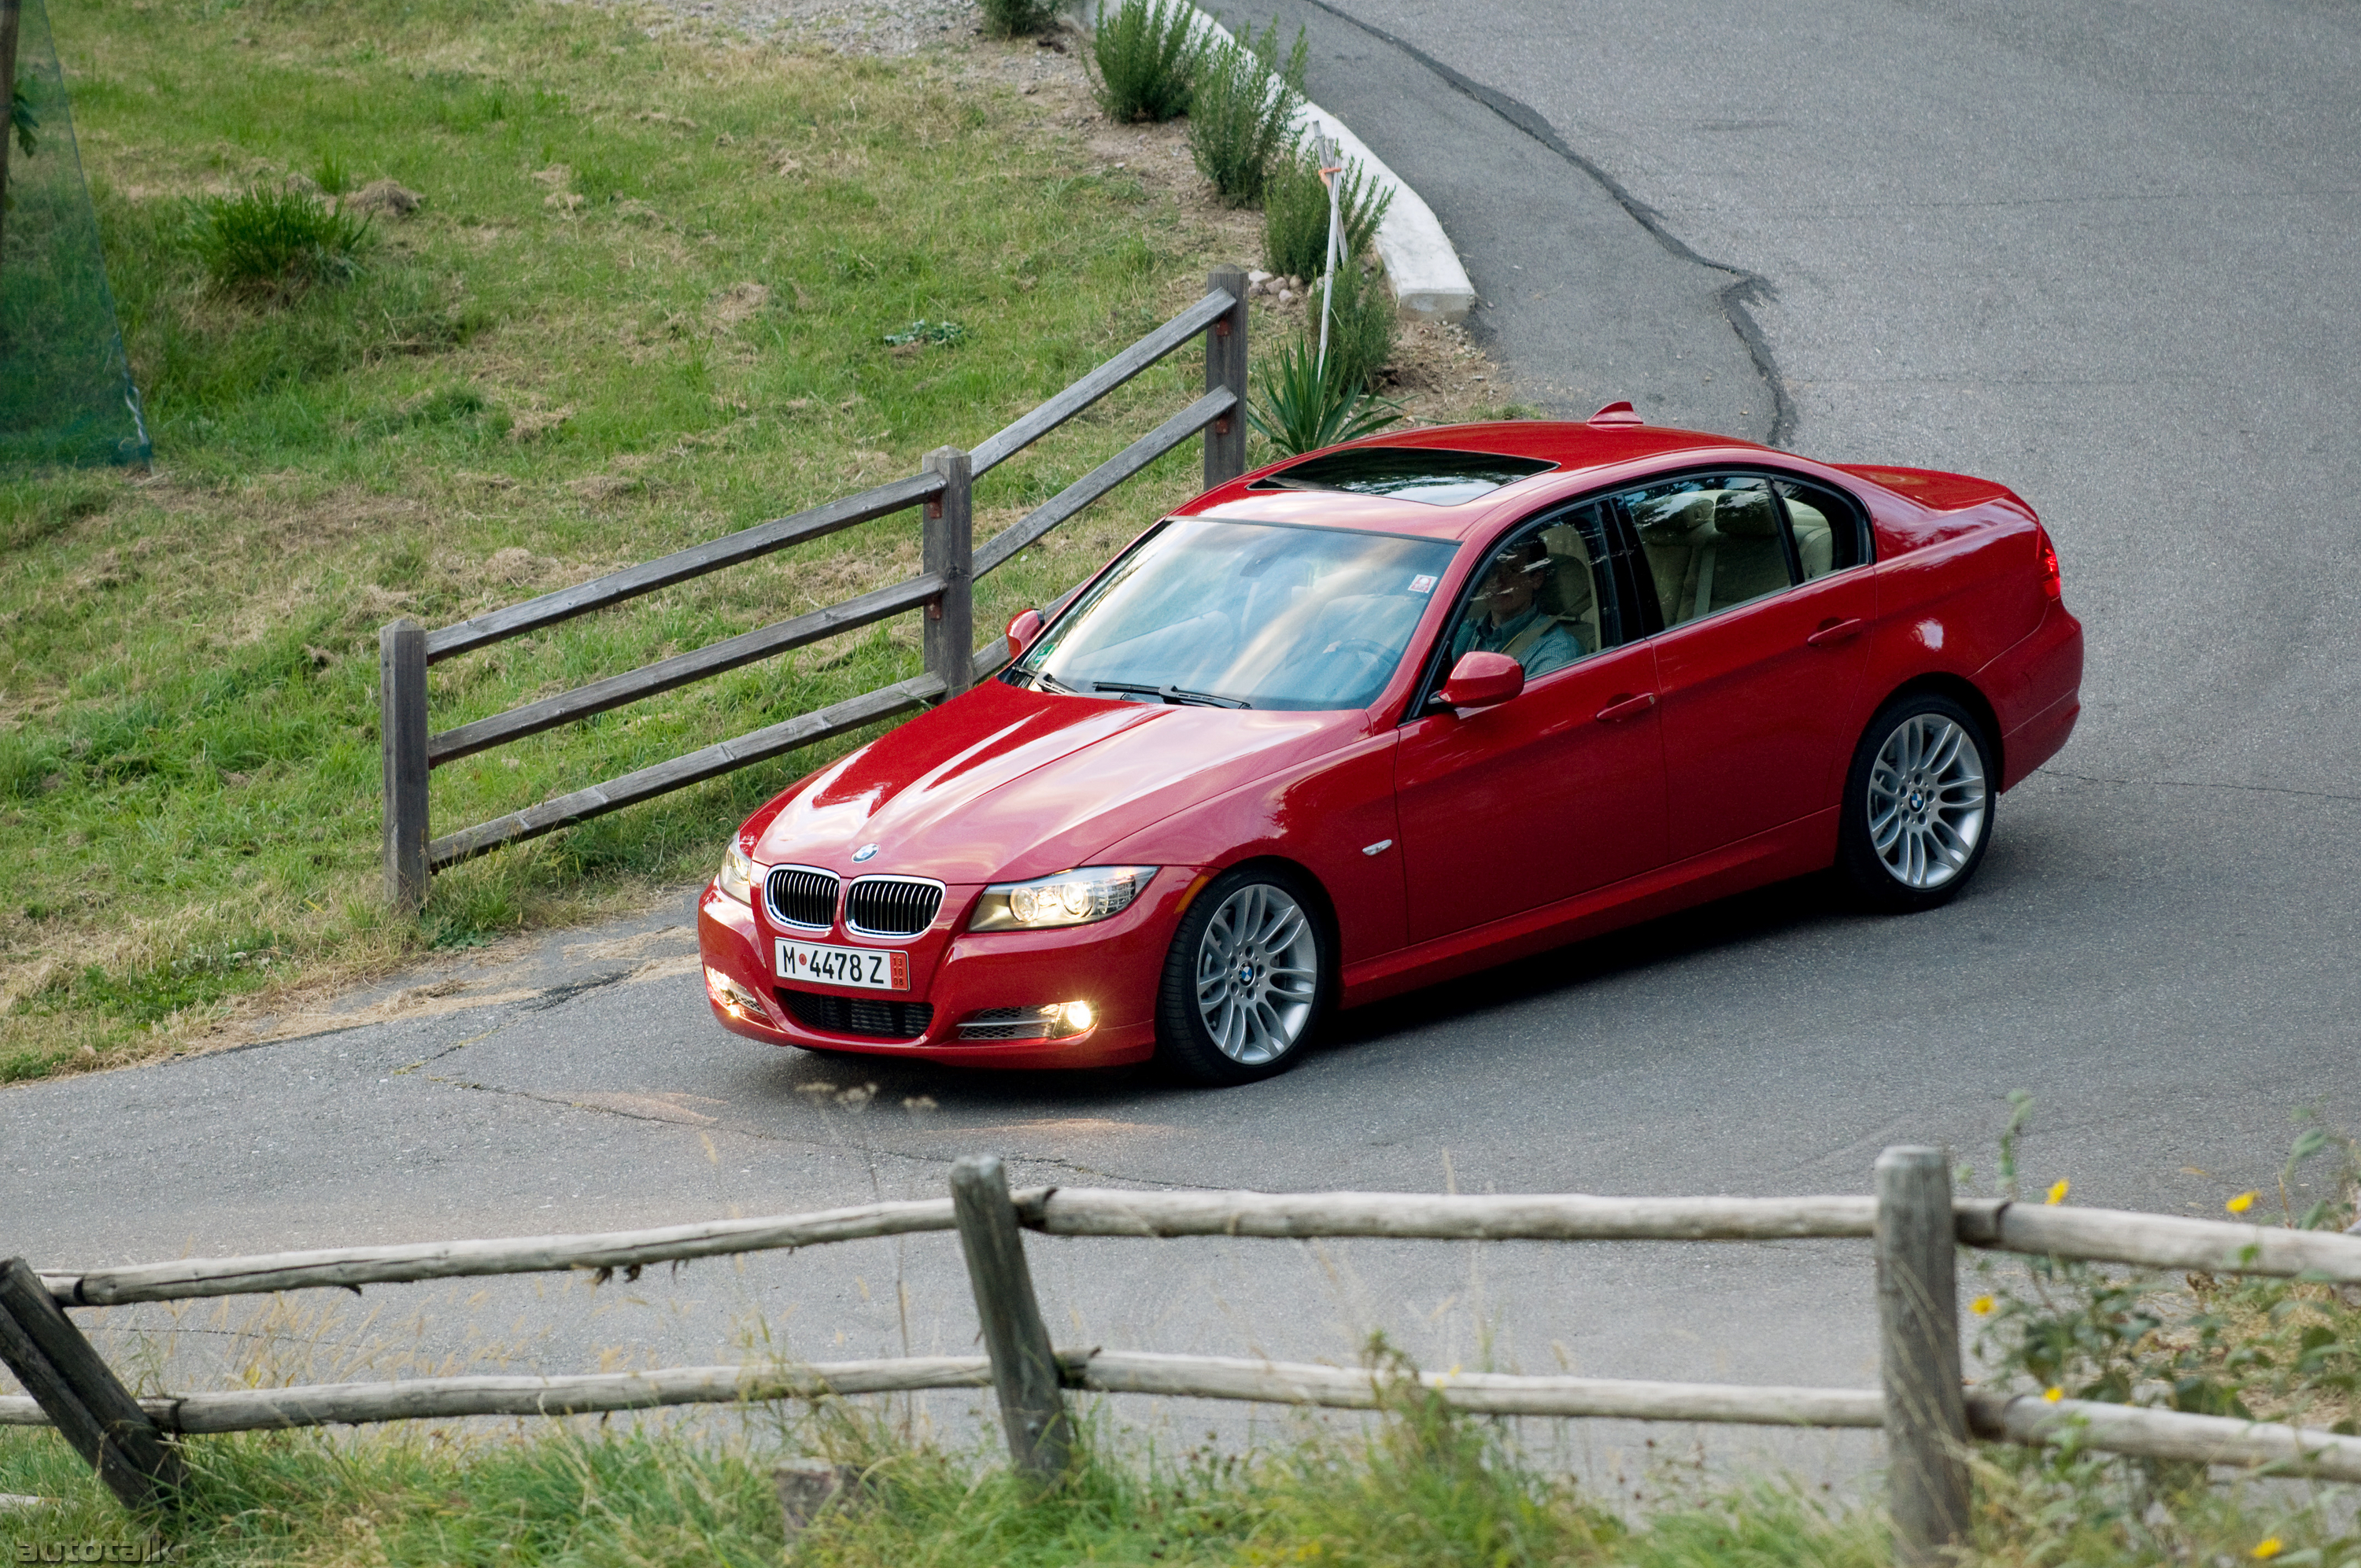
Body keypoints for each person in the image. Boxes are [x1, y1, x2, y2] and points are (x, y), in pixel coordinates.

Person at [1450, 537, 1583, 678]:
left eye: (1512, 571)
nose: (1497, 582)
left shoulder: (1556, 648)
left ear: (1536, 579)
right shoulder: (1462, 632)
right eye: (1492, 570)